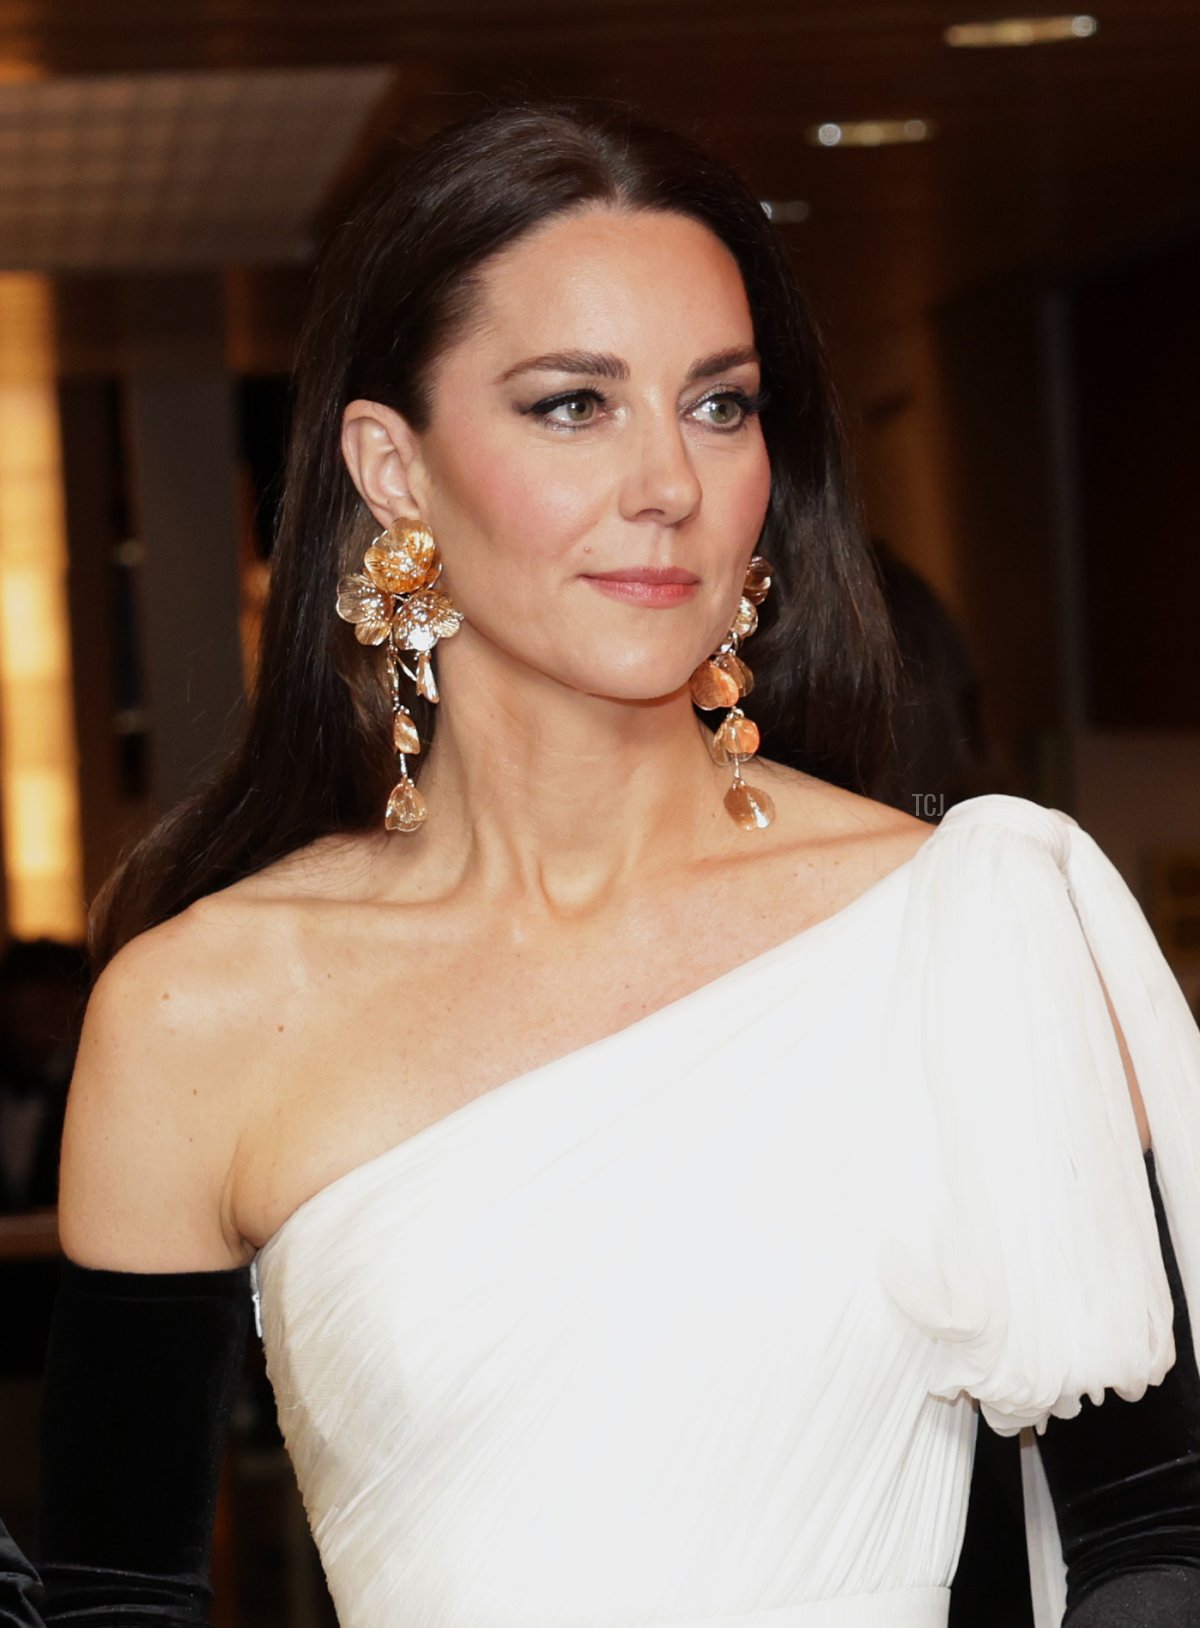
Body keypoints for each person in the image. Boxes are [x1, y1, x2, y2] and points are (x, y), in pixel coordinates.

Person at [34, 97, 1200, 1627]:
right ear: (393, 468)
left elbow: (1156, 1530)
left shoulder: (963, 927)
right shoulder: (196, 1010)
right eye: (573, 403)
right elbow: (117, 1596)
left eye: (720, 405)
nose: (670, 480)